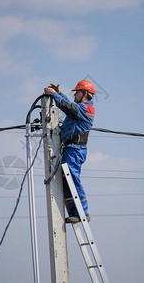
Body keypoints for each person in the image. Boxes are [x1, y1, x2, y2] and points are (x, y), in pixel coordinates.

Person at [44, 80, 96, 223]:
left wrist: (55, 95)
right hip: (69, 148)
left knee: (72, 176)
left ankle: (83, 212)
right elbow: (70, 106)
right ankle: (74, 211)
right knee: (66, 179)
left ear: (85, 93)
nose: (74, 94)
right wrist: (59, 94)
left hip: (76, 149)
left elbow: (69, 107)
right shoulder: (80, 107)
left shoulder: (88, 109)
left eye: (77, 92)